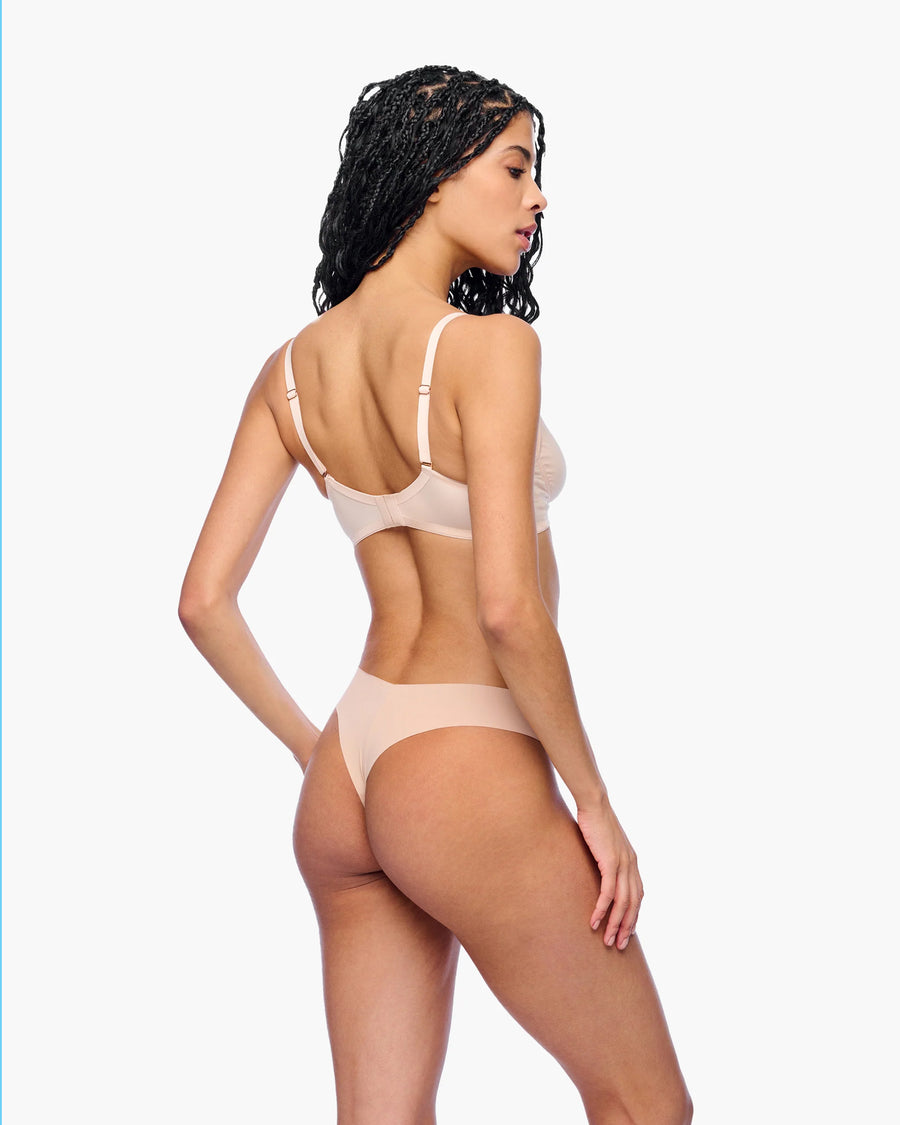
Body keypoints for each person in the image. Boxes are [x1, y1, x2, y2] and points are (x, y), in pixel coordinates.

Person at [179, 64, 692, 1125]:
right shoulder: (489, 349)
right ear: (432, 174)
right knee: (648, 1106)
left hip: (351, 767)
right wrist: (595, 803)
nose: (537, 197)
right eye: (515, 167)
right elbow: (508, 608)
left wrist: (314, 751)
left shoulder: (290, 371)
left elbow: (204, 601)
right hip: (464, 761)